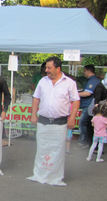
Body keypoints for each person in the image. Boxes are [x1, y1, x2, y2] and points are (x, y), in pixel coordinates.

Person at [28, 56, 80, 186]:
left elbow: (76, 100)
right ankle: (40, 174)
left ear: (58, 68)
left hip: (60, 123)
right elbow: (36, 98)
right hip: (43, 122)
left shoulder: (69, 83)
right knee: (42, 149)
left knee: (57, 151)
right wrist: (33, 115)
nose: (46, 70)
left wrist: (72, 118)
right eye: (46, 67)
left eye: (49, 68)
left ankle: (55, 177)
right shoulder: (42, 81)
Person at [77, 65, 100, 148]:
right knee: (86, 124)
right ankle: (87, 142)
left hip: (89, 105)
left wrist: (75, 94)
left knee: (82, 123)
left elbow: (88, 93)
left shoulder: (93, 80)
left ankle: (83, 142)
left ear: (88, 71)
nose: (84, 72)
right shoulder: (91, 80)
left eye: (84, 70)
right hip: (88, 105)